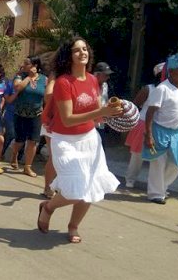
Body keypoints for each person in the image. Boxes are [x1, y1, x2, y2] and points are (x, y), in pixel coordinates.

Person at [37, 37, 122, 243]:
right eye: (76, 50)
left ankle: (73, 226)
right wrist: (100, 111)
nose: (82, 53)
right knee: (75, 189)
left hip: (90, 139)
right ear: (69, 56)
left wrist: (110, 113)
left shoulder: (93, 80)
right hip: (65, 141)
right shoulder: (63, 83)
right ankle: (48, 207)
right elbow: (67, 119)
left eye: (85, 49)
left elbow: (94, 113)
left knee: (90, 187)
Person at [143, 49, 178, 203]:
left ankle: (162, 187)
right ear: (170, 71)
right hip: (159, 132)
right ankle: (156, 194)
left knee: (176, 164)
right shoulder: (162, 89)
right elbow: (150, 113)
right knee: (158, 164)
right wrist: (148, 134)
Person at [124, 62, 164, 188]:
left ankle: (155, 185)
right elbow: (135, 104)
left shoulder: (171, 91)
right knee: (137, 155)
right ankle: (130, 179)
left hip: (161, 126)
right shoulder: (149, 89)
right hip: (143, 123)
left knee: (158, 158)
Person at [10, 56, 47, 177]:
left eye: (27, 63)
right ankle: (14, 155)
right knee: (20, 141)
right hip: (20, 114)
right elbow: (18, 88)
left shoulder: (44, 80)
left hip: (36, 115)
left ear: (35, 66)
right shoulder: (20, 76)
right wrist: (30, 77)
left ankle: (27, 167)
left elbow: (46, 97)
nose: (24, 65)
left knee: (33, 141)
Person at [40, 74, 57, 198]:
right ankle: (48, 187)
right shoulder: (55, 77)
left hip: (68, 125)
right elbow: (47, 97)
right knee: (54, 157)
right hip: (51, 122)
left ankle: (57, 185)